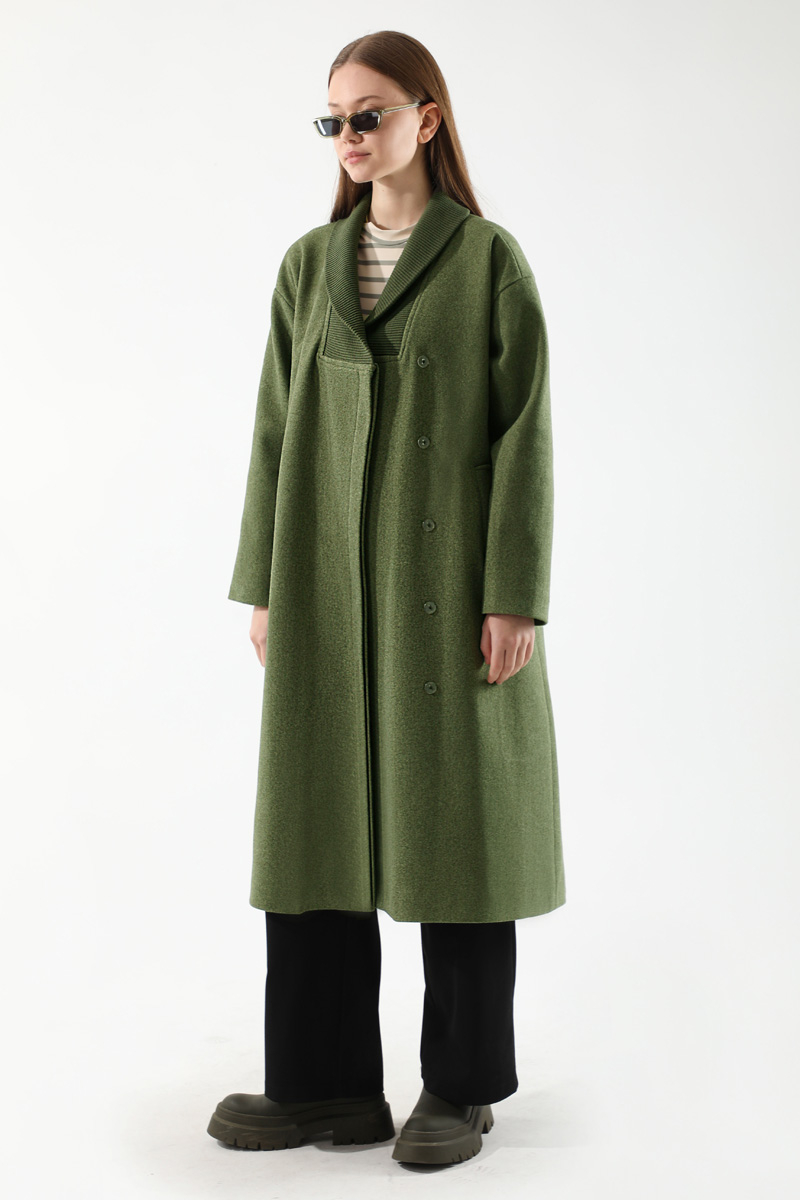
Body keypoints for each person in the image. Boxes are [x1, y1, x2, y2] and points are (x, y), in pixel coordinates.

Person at [207, 29, 566, 1167]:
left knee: (457, 827)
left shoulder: (487, 261)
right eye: (335, 120)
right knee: (316, 826)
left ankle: (460, 1088)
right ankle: (325, 1090)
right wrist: (265, 585)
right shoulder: (309, 267)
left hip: (445, 594)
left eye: (369, 114)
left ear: (427, 117)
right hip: (323, 590)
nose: (350, 137)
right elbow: (274, 434)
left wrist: (513, 595)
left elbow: (524, 435)